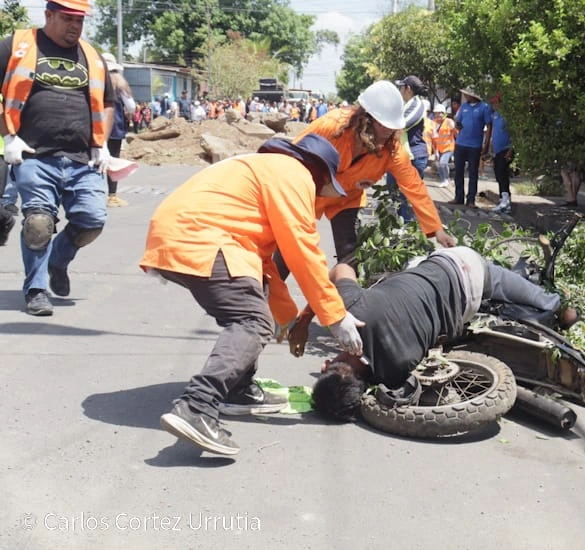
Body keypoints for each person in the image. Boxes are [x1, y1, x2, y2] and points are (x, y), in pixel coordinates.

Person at [141, 134, 366, 456]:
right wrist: (335, 315)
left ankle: (238, 389)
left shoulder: (267, 169)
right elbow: (303, 249)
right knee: (251, 321)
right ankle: (197, 406)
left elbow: (262, 265)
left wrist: (287, 317)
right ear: (319, 174)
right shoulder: (294, 175)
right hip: (202, 237)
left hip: (185, 234)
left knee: (255, 306)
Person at [289, 246, 578, 421]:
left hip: (469, 288)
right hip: (455, 265)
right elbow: (340, 267)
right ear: (325, 365)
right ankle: (556, 304)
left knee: (544, 311)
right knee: (548, 308)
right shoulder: (350, 311)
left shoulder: (395, 373)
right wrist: (304, 321)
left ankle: (554, 304)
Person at [0, 0, 116, 316]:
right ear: (48, 15)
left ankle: (58, 260)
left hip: (83, 158)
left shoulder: (92, 56)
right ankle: (36, 290)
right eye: (67, 19)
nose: (74, 26)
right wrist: (9, 136)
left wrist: (101, 143)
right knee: (38, 223)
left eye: (80, 20)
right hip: (34, 154)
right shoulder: (16, 45)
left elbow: (108, 102)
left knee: (92, 221)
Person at [294, 80, 456, 262]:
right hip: (307, 193)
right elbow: (293, 157)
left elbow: (414, 185)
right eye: (382, 125)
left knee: (349, 255)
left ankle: (347, 287)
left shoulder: (392, 149)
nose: (387, 131)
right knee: (290, 249)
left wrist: (437, 229)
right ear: (366, 117)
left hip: (347, 200)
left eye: (391, 126)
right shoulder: (332, 126)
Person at [385, 75, 429, 222]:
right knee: (394, 195)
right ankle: (398, 230)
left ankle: (409, 233)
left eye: (401, 87)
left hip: (413, 157)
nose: (399, 90)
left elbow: (401, 123)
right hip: (399, 156)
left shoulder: (418, 104)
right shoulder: (404, 105)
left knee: (406, 199)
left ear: (408, 89)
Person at [101, 52, 135, 208]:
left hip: (95, 126)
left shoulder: (95, 80)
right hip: (114, 126)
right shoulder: (120, 84)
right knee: (113, 159)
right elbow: (131, 107)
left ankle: (92, 194)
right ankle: (112, 196)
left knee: (95, 160)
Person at [452, 88, 492, 208]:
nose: (465, 96)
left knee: (473, 173)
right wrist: (458, 129)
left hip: (475, 145)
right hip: (460, 144)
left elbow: (489, 126)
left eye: (467, 94)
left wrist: (486, 145)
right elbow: (457, 121)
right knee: (458, 171)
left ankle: (471, 200)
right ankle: (458, 197)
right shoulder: (464, 106)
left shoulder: (484, 107)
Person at [489, 93, 514, 214]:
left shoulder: (507, 117)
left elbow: (514, 134)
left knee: (502, 174)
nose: (493, 105)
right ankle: (503, 200)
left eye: (495, 103)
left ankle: (505, 200)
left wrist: (511, 150)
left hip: (505, 149)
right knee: (498, 175)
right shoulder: (495, 115)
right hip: (497, 150)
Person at [431, 103, 456, 188]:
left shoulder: (449, 122)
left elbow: (456, 132)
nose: (437, 115)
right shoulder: (434, 123)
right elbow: (434, 138)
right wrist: (435, 151)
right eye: (436, 113)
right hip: (439, 148)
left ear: (444, 113)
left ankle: (446, 179)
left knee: (443, 163)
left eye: (439, 113)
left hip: (449, 147)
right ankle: (443, 180)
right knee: (438, 164)